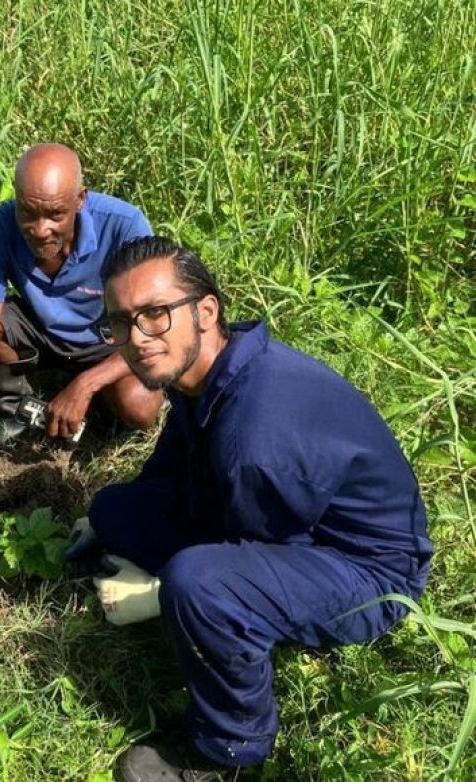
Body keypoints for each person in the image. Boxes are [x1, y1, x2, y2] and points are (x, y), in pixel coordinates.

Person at [65, 236, 432, 780]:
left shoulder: (254, 437)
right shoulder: (210, 369)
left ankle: (228, 748)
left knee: (201, 583)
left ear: (206, 310)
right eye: (120, 323)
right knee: (114, 510)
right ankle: (173, 576)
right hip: (277, 509)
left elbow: (258, 543)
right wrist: (125, 521)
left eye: (156, 314)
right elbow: (173, 463)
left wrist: (165, 588)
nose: (137, 339)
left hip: (367, 572)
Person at [0, 144, 163, 520]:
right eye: (27, 213)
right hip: (39, 329)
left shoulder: (124, 227)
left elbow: (153, 329)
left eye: (55, 215)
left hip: (106, 339)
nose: (39, 229)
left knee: (140, 408)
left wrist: (86, 384)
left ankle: (90, 407)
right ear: (15, 200)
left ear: (80, 200)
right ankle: (18, 411)